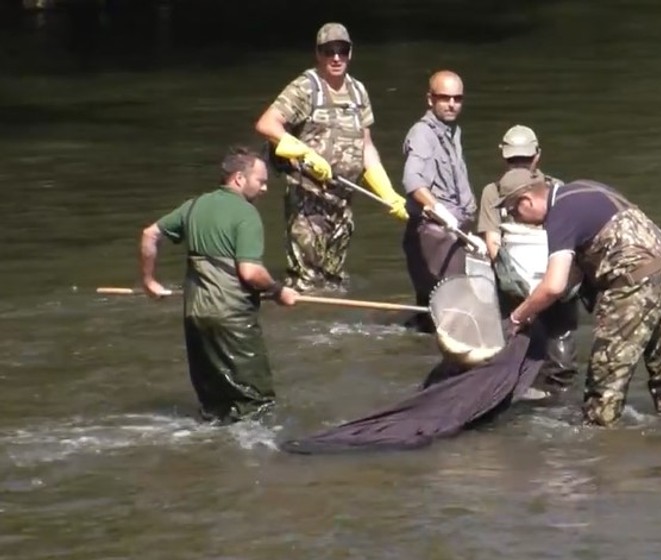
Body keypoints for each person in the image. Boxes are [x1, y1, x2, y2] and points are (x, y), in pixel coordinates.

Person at [496, 168, 661, 426]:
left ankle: (601, 457)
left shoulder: (559, 213)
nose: (515, 218)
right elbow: (575, 272)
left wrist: (516, 317)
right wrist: (536, 307)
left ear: (527, 200)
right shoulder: (587, 190)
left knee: (604, 391)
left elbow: (554, 286)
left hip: (634, 285)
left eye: (513, 211)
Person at [139, 147, 300, 424]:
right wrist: (278, 290)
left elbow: (150, 234)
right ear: (239, 178)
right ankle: (255, 459)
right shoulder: (246, 214)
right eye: (260, 181)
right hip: (232, 318)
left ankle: (212, 450)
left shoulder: (194, 206)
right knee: (257, 403)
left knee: (214, 403)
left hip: (196, 316)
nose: (264, 189)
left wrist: (149, 281)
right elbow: (250, 272)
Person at [254, 22, 408, 293]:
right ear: (318, 53)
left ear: (351, 53)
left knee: (335, 281)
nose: (336, 57)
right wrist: (305, 153)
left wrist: (387, 192)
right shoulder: (305, 88)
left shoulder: (358, 92)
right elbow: (267, 124)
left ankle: (332, 330)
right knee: (307, 281)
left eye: (342, 50)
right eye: (329, 51)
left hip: (343, 201)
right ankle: (303, 328)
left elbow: (367, 147)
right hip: (307, 200)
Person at [476, 125, 579, 392]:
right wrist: (519, 291)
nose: (518, 165)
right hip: (514, 282)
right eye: (513, 160)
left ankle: (556, 398)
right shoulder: (493, 192)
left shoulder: (556, 189)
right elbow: (493, 242)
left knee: (561, 361)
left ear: (537, 157)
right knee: (516, 352)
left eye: (523, 159)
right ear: (503, 158)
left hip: (554, 276)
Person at [401, 70, 483, 332]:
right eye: (444, 97)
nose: (451, 104)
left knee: (433, 313)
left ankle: (420, 352)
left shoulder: (451, 131)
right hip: (435, 232)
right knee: (456, 311)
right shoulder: (422, 134)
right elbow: (412, 181)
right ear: (430, 99)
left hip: (454, 231)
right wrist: (437, 209)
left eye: (457, 98)